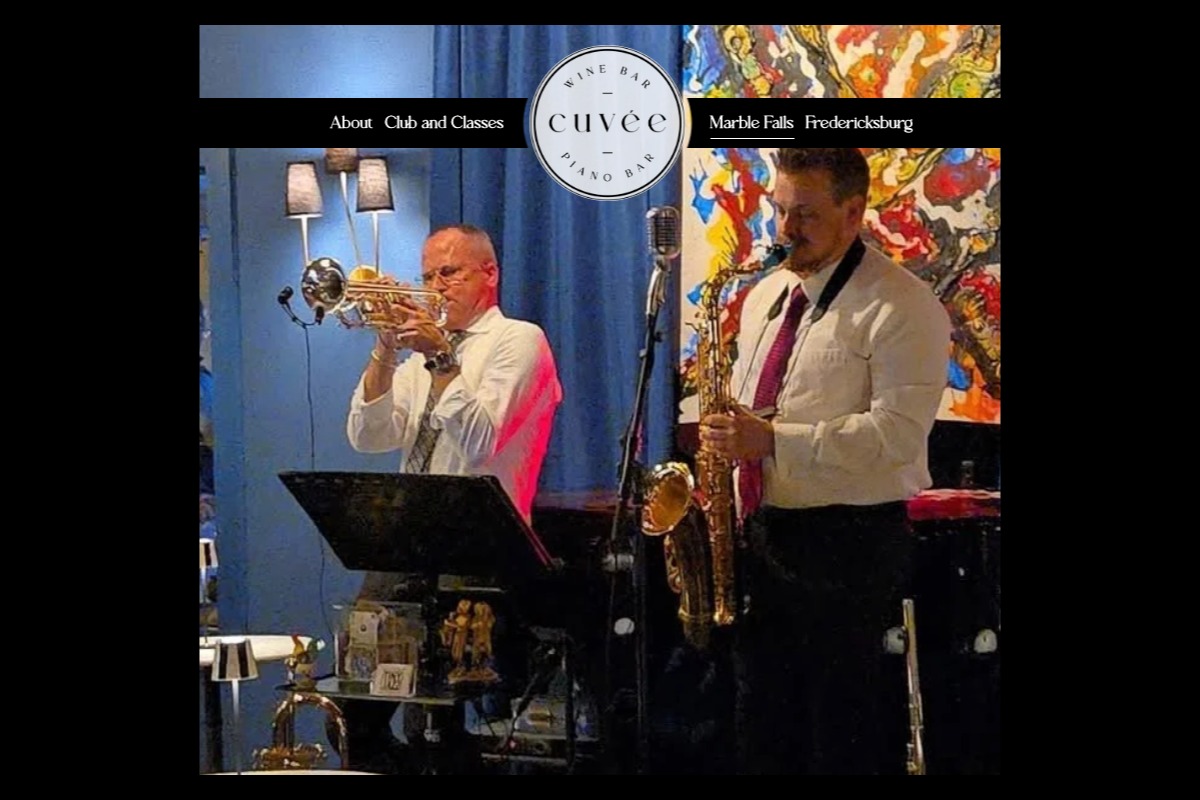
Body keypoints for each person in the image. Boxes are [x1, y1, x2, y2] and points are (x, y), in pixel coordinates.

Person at [700, 148, 951, 775]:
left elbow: (896, 435)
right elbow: (763, 403)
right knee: (761, 729)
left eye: (805, 215)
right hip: (765, 537)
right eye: (780, 210)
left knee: (841, 737)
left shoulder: (902, 306)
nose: (785, 230)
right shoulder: (766, 297)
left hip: (850, 546)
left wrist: (775, 441)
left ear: (854, 212)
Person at [342, 223, 563, 772]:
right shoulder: (419, 354)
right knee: (352, 707)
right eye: (426, 276)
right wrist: (387, 350)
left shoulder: (519, 340)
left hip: (480, 556)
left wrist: (443, 361)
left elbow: (482, 442)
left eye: (449, 273)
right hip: (403, 543)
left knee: (435, 720)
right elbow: (369, 436)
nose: (434, 287)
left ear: (489, 273)